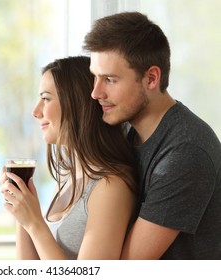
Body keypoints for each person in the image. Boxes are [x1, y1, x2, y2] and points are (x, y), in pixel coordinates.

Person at [83, 11, 221, 259]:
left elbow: (125, 268)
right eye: (95, 77)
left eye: (110, 79)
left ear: (151, 78)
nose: (95, 92)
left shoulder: (186, 151)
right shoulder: (124, 131)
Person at [0, 56, 138, 259]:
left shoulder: (111, 187)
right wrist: (22, 213)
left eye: (46, 99)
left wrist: (34, 222)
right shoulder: (68, 178)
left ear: (77, 105)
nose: (36, 111)